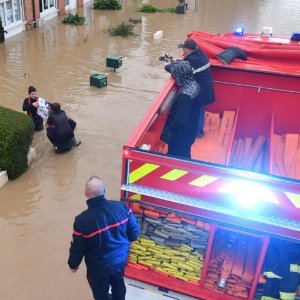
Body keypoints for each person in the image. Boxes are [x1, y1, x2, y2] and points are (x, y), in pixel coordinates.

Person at [68, 176, 140, 300]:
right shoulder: (122, 207)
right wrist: (129, 240)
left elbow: (78, 247)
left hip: (98, 268)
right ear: (104, 190)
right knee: (118, 284)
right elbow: (134, 232)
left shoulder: (82, 221)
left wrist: (73, 265)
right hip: (120, 260)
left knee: (100, 293)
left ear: (86, 194)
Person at [165, 39, 215, 137]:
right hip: (205, 89)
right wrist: (177, 61)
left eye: (183, 49)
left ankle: (198, 133)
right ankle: (199, 130)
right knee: (200, 109)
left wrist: (167, 66)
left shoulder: (192, 60)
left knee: (197, 111)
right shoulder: (200, 54)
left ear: (188, 49)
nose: (182, 51)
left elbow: (180, 71)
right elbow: (187, 65)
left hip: (200, 92)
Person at [160, 60, 201, 159]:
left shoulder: (184, 96)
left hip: (181, 136)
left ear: (179, 76)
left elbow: (180, 119)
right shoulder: (194, 85)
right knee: (185, 154)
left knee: (176, 157)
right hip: (191, 129)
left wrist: (169, 129)